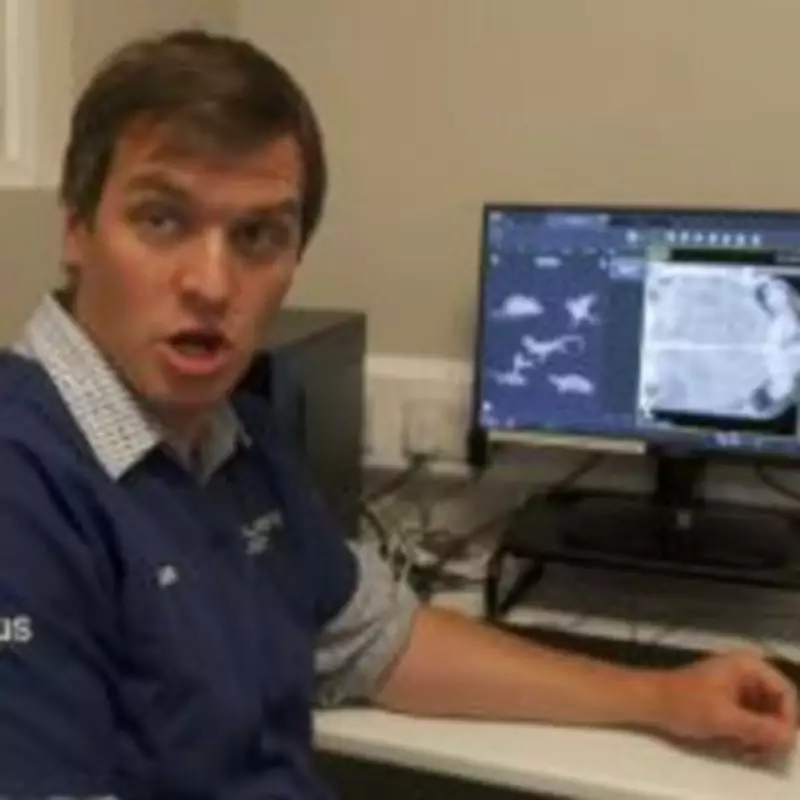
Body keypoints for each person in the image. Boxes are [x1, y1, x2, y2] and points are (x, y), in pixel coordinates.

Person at [0, 28, 795, 800]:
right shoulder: (24, 486)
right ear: (76, 228)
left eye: (258, 235)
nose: (212, 283)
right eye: (162, 219)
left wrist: (660, 698)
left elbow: (380, 644)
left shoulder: (233, 440)